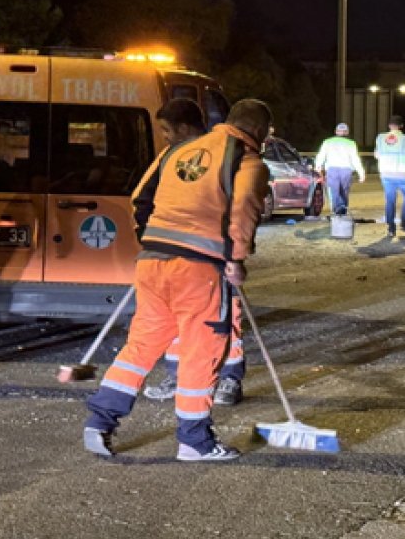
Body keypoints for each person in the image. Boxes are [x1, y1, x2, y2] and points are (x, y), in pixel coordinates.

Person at [84, 99, 271, 462]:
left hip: (153, 263)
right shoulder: (247, 161)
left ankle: (99, 421)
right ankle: (194, 442)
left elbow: (140, 197)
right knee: (202, 350)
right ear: (260, 132)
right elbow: (245, 204)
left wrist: (155, 241)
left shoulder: (177, 151)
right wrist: (236, 258)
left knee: (141, 346)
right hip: (200, 270)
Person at [142, 99, 248, 407]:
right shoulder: (222, 152)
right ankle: (186, 377)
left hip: (213, 256)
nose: (165, 137)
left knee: (226, 318)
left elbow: (141, 200)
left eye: (166, 130)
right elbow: (143, 199)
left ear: (185, 128)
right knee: (188, 318)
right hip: (188, 256)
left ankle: (227, 379)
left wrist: (234, 253)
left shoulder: (203, 154)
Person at [375, 114, 405, 237]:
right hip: (402, 175)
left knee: (390, 200)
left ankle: (391, 227)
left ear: (389, 126)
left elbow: (376, 155)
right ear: (401, 126)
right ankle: (404, 223)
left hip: (386, 174)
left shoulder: (380, 137)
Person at [314, 122, 366, 215]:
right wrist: (361, 173)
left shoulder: (327, 142)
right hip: (346, 170)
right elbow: (355, 159)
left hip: (332, 170)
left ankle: (336, 210)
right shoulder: (351, 143)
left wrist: (318, 166)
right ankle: (343, 209)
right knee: (344, 192)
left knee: (334, 191)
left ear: (336, 132)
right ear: (347, 132)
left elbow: (321, 155)